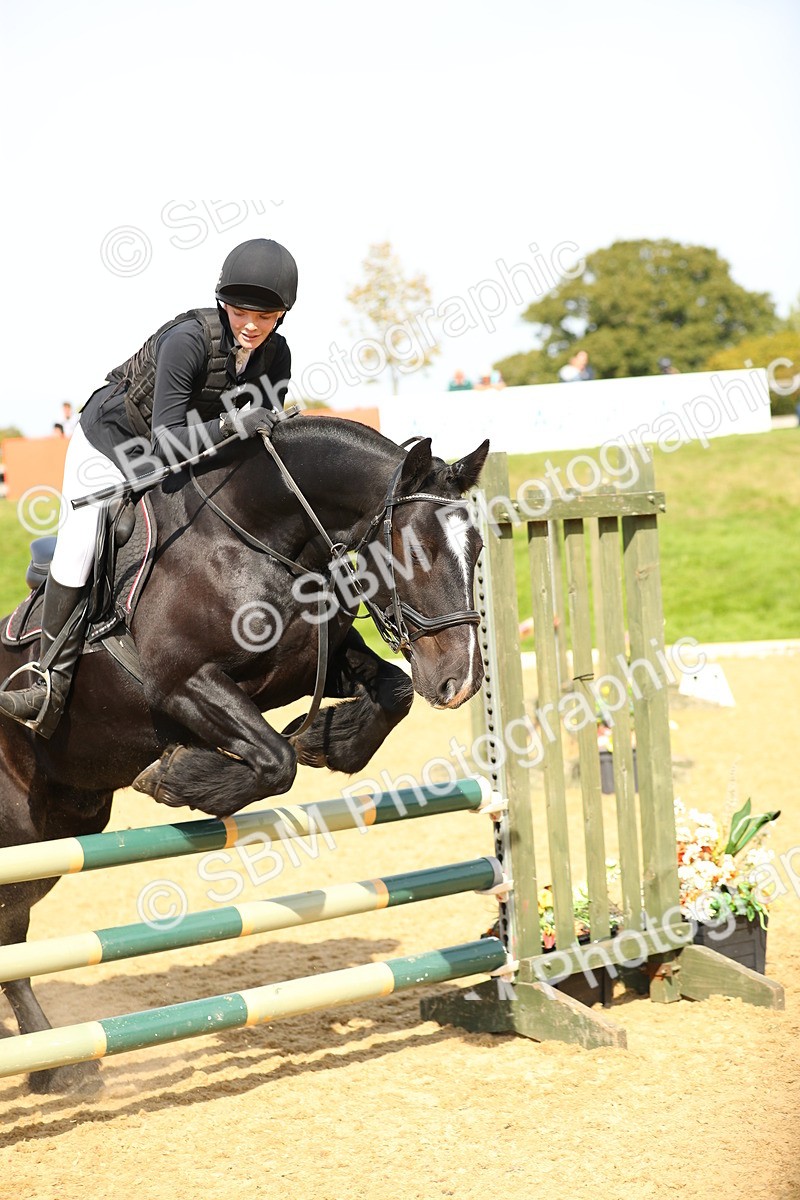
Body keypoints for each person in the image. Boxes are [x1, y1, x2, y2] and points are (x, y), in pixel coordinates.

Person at [0, 237, 298, 737]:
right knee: (81, 543)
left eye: (265, 315)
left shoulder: (276, 357)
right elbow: (166, 439)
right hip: (113, 444)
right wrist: (230, 429)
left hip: (189, 448)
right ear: (224, 302)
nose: (251, 324)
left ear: (282, 316)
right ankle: (47, 678)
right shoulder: (189, 339)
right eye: (243, 310)